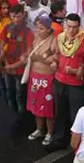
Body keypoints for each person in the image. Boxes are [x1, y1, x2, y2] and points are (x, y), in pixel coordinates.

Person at [46, 13, 84, 152]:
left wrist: (77, 70)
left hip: (75, 84)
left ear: (79, 27)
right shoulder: (60, 38)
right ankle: (59, 139)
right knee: (59, 112)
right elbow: (56, 55)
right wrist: (54, 62)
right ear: (65, 25)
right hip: (59, 80)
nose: (71, 30)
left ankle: (77, 143)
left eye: (75, 27)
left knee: (75, 114)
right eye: (69, 26)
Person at [24, 14, 56, 145]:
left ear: (49, 29)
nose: (38, 31)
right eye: (37, 28)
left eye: (41, 28)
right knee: (36, 105)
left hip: (47, 79)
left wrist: (41, 58)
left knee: (48, 108)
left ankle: (50, 133)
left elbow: (54, 60)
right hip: (34, 77)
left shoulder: (54, 40)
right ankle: (39, 129)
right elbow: (31, 55)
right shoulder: (36, 38)